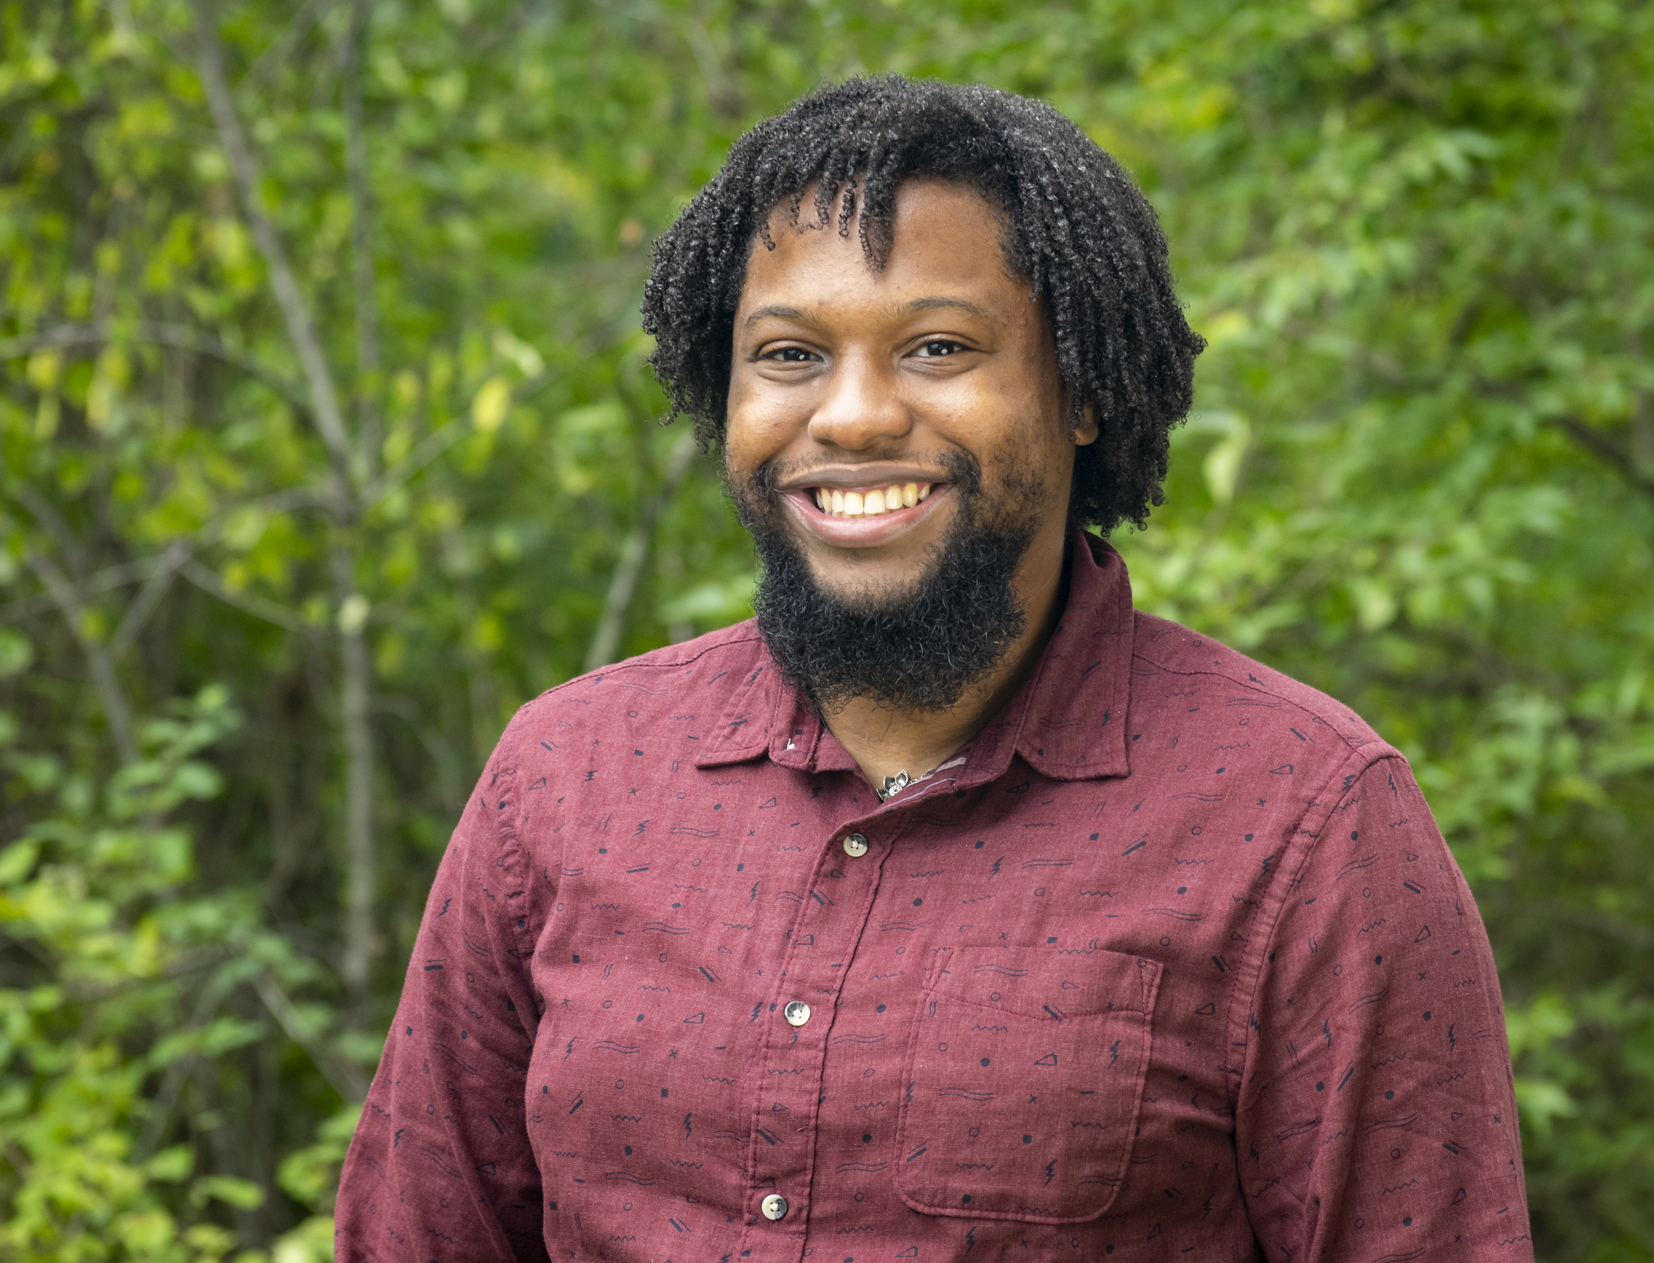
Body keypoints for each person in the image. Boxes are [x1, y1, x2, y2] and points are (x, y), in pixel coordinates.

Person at [336, 75, 1532, 1262]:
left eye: (939, 346)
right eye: (791, 353)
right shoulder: (566, 775)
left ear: (1082, 394)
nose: (851, 416)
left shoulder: (1306, 819)